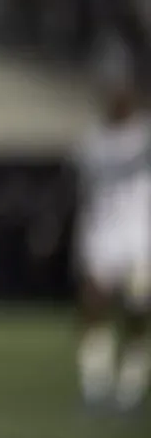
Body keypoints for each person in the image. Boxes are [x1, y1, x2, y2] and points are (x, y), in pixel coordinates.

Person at [72, 81, 150, 414]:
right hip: (100, 236)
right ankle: (95, 386)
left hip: (140, 239)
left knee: (137, 313)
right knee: (94, 306)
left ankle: (130, 386)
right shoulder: (90, 142)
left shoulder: (145, 136)